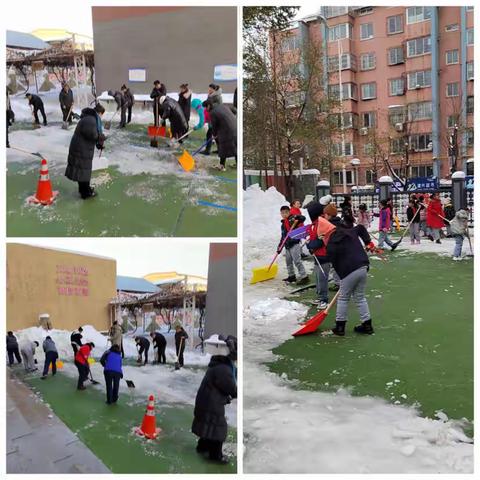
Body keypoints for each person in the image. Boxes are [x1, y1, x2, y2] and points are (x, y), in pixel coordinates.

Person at [323, 203, 375, 336]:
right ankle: (367, 325)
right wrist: (368, 242)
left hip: (349, 270)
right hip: (363, 266)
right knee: (360, 297)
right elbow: (361, 228)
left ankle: (340, 327)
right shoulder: (348, 229)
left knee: (343, 298)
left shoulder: (332, 239)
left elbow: (331, 257)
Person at [192, 335, 237, 464]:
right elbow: (231, 389)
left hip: (206, 400)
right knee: (218, 428)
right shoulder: (224, 369)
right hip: (211, 402)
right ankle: (215, 456)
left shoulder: (218, 364)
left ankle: (202, 447)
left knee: (208, 423)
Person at [65, 103, 106, 199]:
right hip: (81, 149)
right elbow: (92, 135)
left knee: (82, 170)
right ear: (99, 113)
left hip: (82, 147)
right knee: (83, 170)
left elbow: (92, 135)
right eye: (101, 115)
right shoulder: (91, 120)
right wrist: (101, 137)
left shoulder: (90, 118)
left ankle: (84, 189)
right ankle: (85, 192)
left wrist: (99, 143)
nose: (101, 117)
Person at [306, 202, 334, 310]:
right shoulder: (314, 224)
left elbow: (321, 240)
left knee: (323, 278)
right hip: (317, 255)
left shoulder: (322, 223)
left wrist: (311, 245)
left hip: (324, 255)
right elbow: (314, 238)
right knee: (318, 278)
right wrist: (309, 242)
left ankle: (324, 299)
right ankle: (319, 296)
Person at [278, 205, 308, 285]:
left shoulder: (292, 220)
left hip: (294, 244)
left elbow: (302, 218)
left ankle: (304, 276)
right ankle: (291, 276)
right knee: (288, 262)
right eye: (282, 213)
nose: (284, 214)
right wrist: (279, 247)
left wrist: (297, 217)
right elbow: (283, 237)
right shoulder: (283, 224)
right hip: (287, 245)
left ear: (289, 212)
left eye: (286, 213)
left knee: (297, 261)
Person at [205, 99, 237, 171]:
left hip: (226, 131)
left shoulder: (213, 112)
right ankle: (237, 165)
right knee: (236, 148)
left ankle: (222, 166)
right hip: (235, 128)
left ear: (209, 106)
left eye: (206, 107)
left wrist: (214, 134)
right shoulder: (222, 106)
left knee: (222, 148)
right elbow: (234, 110)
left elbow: (214, 126)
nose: (206, 109)